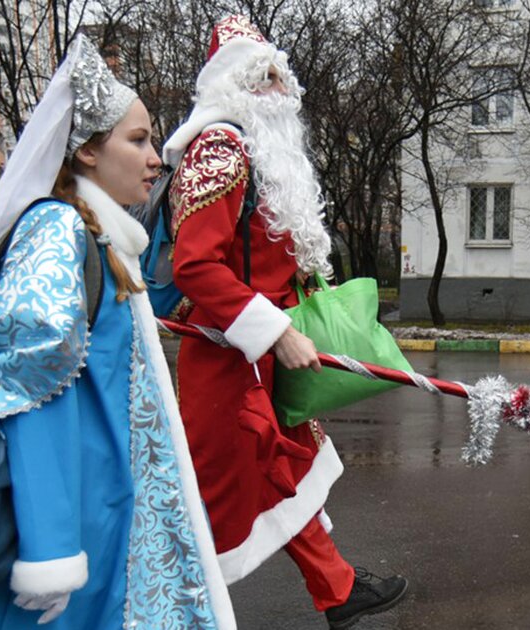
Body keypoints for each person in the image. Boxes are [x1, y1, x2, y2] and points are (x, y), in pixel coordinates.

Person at [0, 35, 235, 630]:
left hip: (100, 510)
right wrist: (49, 552)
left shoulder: (99, 237)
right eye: (138, 139)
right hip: (68, 532)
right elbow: (28, 390)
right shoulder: (57, 229)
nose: (156, 157)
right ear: (87, 153)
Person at [164, 15, 407, 629]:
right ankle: (166, 611)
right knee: (213, 501)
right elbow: (195, 265)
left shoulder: (259, 151)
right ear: (231, 86)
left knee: (284, 469)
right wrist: (274, 329)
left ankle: (340, 589)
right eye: (262, 76)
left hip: (259, 358)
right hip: (228, 358)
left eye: (280, 74)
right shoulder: (220, 148)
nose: (279, 88)